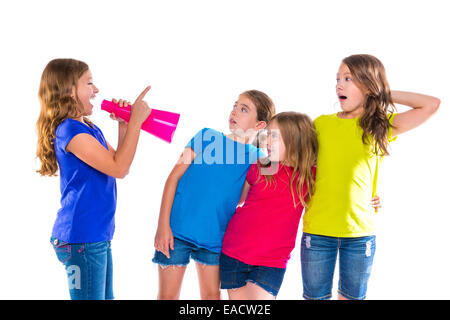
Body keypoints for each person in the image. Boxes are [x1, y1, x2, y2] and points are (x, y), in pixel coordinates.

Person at [301, 54, 440, 300]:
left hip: (359, 235)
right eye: (337, 79)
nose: (339, 85)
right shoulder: (321, 124)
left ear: (368, 84)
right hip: (318, 231)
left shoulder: (380, 126)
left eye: (348, 79)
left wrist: (382, 92)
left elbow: (431, 104)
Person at [36, 58, 151, 299]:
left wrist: (125, 124)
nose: (96, 89)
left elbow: (119, 164)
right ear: (69, 91)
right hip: (81, 238)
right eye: (89, 83)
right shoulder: (69, 130)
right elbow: (119, 168)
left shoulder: (87, 127)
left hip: (95, 236)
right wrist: (137, 123)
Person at [153, 90, 275, 300]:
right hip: (176, 232)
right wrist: (163, 226)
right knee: (167, 296)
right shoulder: (206, 136)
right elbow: (172, 179)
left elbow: (243, 200)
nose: (234, 111)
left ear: (259, 125)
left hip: (215, 239)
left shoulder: (259, 159)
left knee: (211, 296)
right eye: (235, 105)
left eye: (243, 109)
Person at [219, 112, 317, 299]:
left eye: (274, 137)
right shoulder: (261, 165)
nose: (267, 142)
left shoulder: (309, 175)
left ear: (295, 140)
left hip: (272, 260)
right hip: (234, 251)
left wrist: (371, 195)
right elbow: (239, 200)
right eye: (267, 135)